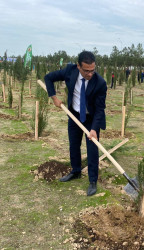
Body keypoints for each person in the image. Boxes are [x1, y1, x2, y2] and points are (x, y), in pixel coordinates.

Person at [44, 51, 107, 196]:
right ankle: (76, 171)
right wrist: (53, 97)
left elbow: (99, 109)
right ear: (78, 66)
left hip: (91, 118)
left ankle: (92, 180)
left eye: (92, 70)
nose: (90, 74)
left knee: (92, 149)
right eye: (86, 71)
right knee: (73, 144)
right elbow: (48, 78)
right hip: (74, 114)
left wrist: (94, 129)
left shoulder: (100, 83)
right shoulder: (70, 71)